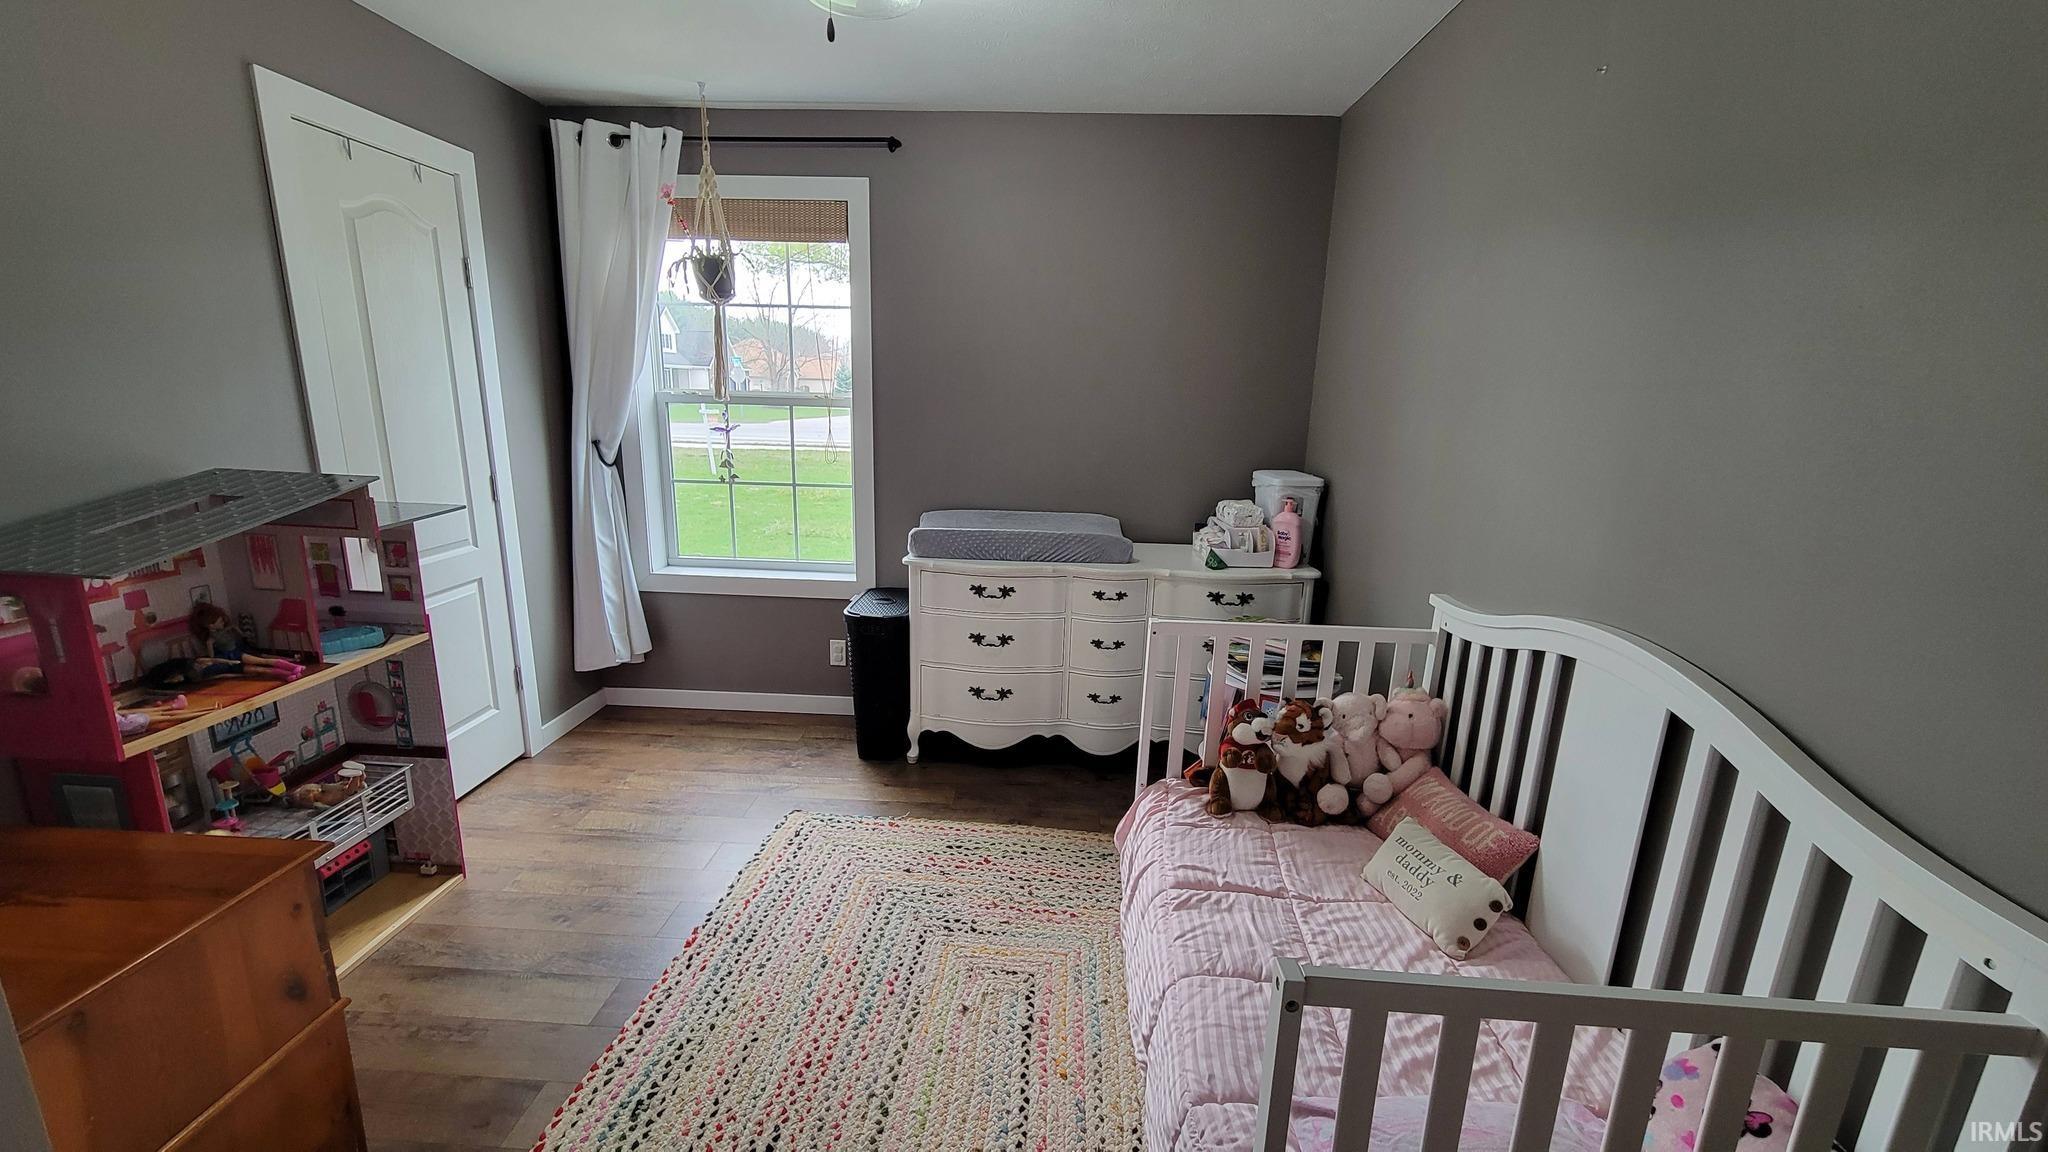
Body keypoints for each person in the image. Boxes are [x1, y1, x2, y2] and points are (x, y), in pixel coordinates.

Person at [187, 602, 304, 681]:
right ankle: (287, 675)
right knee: (259, 670)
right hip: (228, 659)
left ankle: (293, 667)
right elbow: (212, 658)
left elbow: (233, 632)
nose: (223, 623)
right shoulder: (210, 640)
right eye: (220, 622)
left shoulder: (225, 631)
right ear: (210, 625)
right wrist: (224, 663)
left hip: (236, 653)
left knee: (262, 661)